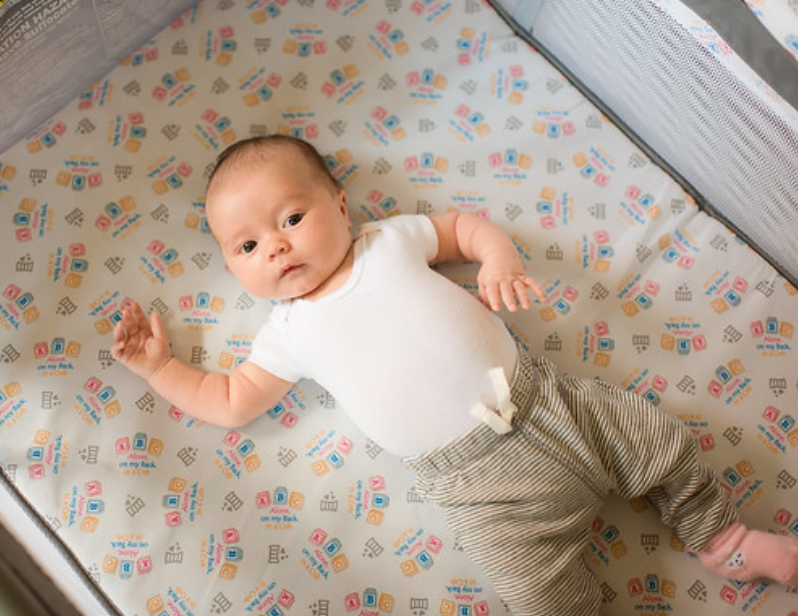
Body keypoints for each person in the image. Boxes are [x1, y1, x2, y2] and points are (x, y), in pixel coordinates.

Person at [111, 135, 798, 615]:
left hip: (549, 402)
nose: (279, 244)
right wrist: (160, 367)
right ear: (234, 265)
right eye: (249, 244)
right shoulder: (286, 334)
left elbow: (463, 230)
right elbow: (230, 400)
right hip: (478, 489)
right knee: (532, 590)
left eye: (292, 216)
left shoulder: (386, 242)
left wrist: (497, 260)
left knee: (661, 439)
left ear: (343, 207)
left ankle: (726, 541)